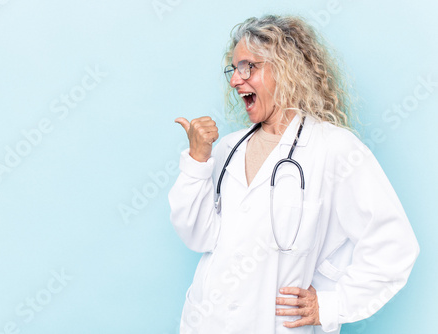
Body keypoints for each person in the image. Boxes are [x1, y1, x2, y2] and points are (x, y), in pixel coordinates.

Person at [168, 15, 419, 334]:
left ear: (286, 68)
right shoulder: (228, 148)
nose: (235, 81)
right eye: (233, 69)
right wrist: (197, 160)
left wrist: (331, 305)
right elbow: (197, 236)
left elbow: (394, 245)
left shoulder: (335, 149)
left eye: (248, 67)